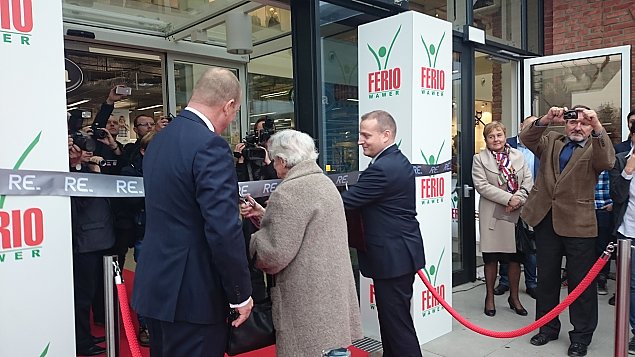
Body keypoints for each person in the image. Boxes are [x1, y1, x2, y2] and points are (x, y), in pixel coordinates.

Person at [131, 67, 253, 357]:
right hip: (194, 294)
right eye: (234, 113)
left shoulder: (159, 140)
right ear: (229, 105)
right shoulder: (210, 146)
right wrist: (240, 293)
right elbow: (223, 228)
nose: (232, 119)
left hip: (156, 284)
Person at [240, 129, 362, 356]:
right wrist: (263, 215)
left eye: (274, 160)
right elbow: (303, 228)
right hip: (329, 296)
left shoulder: (289, 191)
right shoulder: (323, 183)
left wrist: (252, 241)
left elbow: (273, 253)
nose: (273, 166)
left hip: (306, 301)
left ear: (283, 161)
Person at [521, 105, 615, 357]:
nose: (577, 127)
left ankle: (581, 336)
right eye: (574, 122)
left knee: (580, 284)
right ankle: (547, 327)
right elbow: (526, 138)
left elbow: (608, 161)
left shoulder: (596, 147)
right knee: (547, 280)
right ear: (566, 124)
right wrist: (547, 118)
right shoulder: (552, 139)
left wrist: (597, 125)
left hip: (579, 224)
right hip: (546, 220)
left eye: (584, 124)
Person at [340, 110, 425, 357]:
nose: (359, 140)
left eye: (366, 135)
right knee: (391, 323)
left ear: (386, 135)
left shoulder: (384, 168)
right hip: (397, 256)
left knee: (397, 327)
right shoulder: (391, 161)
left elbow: (343, 202)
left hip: (393, 258)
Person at [472, 121, 533, 317]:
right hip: (493, 215)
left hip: (515, 214)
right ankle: (489, 297)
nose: (496, 139)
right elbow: (482, 186)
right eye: (491, 136)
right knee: (491, 259)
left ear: (505, 135)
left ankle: (514, 297)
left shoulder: (519, 156)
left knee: (515, 260)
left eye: (499, 135)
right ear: (486, 139)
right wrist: (509, 198)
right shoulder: (479, 159)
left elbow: (528, 181)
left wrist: (519, 199)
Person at [68, 136, 115, 356]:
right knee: (82, 297)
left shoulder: (86, 168)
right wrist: (82, 169)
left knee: (90, 293)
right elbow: (82, 200)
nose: (86, 153)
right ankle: (81, 341)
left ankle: (85, 335)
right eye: (80, 149)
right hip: (83, 242)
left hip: (98, 239)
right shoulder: (69, 174)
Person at [495, 116, 540, 300]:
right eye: (529, 126)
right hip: (508, 203)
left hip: (533, 203)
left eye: (536, 127)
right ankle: (504, 281)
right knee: (507, 244)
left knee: (530, 245)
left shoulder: (541, 147)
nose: (532, 130)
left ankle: (532, 283)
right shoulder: (507, 144)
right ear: (521, 126)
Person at [608, 146, 635, 354]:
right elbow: (616, 196)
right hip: (628, 232)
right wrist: (627, 172)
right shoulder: (620, 159)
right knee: (631, 286)